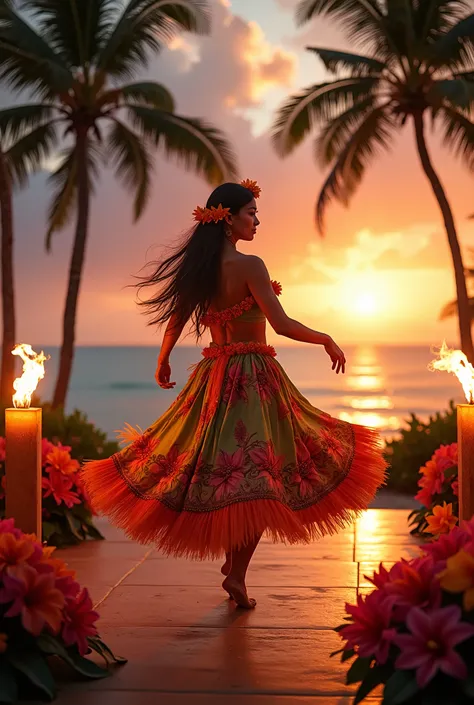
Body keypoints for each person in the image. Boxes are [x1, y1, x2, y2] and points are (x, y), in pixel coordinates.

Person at [82, 180, 386, 609]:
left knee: (225, 470)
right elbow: (280, 324)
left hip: (213, 376)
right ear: (227, 219)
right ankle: (238, 574)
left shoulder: (200, 269)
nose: (257, 221)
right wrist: (325, 338)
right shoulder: (250, 266)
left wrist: (164, 358)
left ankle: (234, 567)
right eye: (251, 214)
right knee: (258, 476)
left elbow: (175, 318)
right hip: (254, 378)